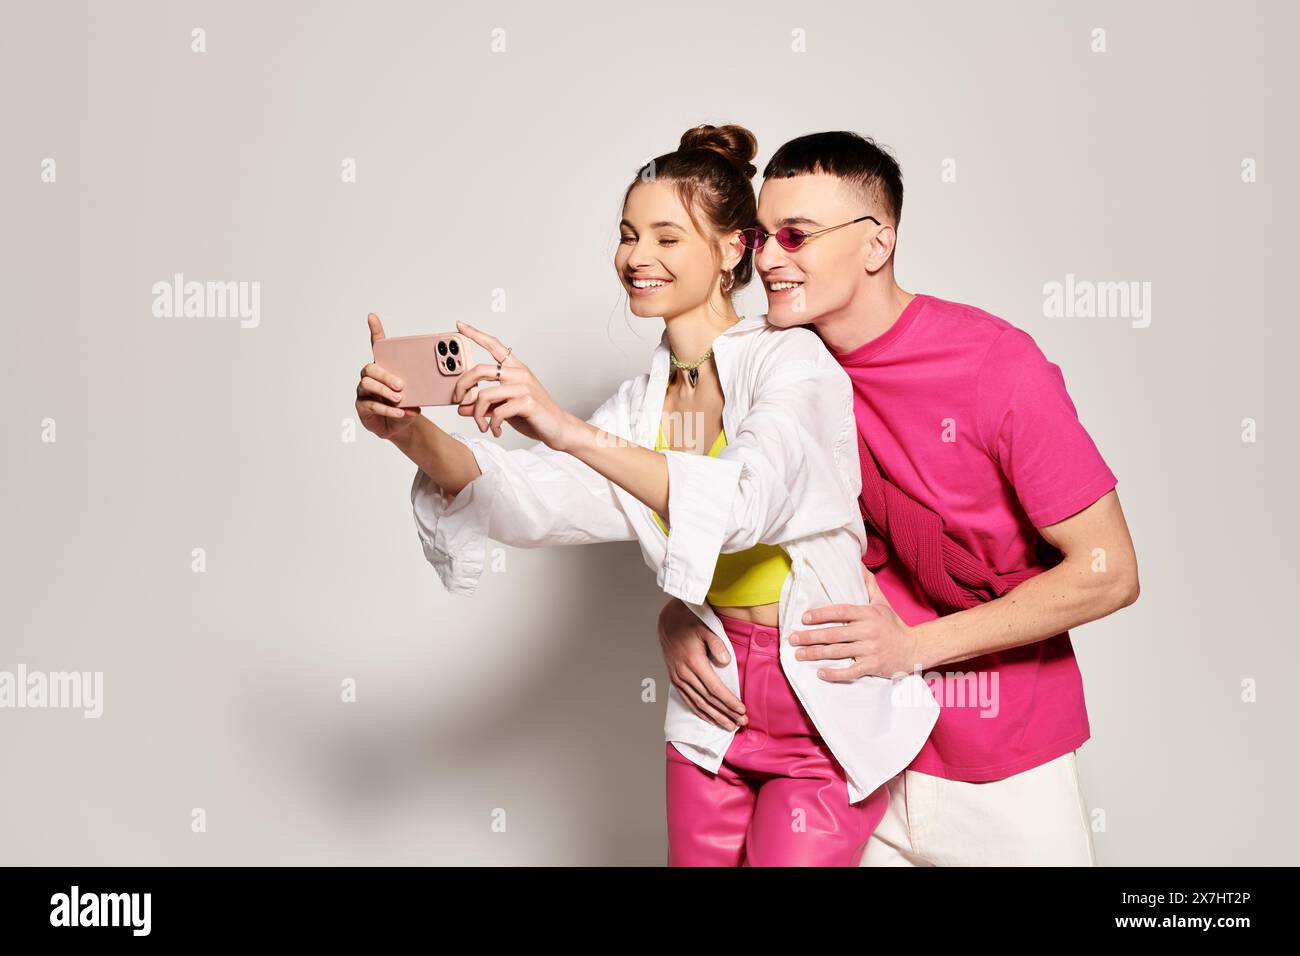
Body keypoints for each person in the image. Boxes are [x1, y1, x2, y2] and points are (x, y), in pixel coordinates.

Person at [355, 124, 937, 866]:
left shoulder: (795, 364)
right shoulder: (640, 404)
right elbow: (534, 498)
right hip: (712, 708)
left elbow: (739, 506)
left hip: (820, 711)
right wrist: (407, 431)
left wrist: (564, 427)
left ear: (733, 251)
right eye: (628, 235)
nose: (636, 256)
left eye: (667, 237)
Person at [655, 131, 1141, 866]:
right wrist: (682, 609)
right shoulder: (763, 362)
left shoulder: (994, 364)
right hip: (847, 750)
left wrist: (913, 647)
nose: (772, 259)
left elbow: (1109, 570)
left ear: (877, 243)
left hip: (1002, 762)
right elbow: (726, 508)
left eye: (798, 236)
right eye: (763, 237)